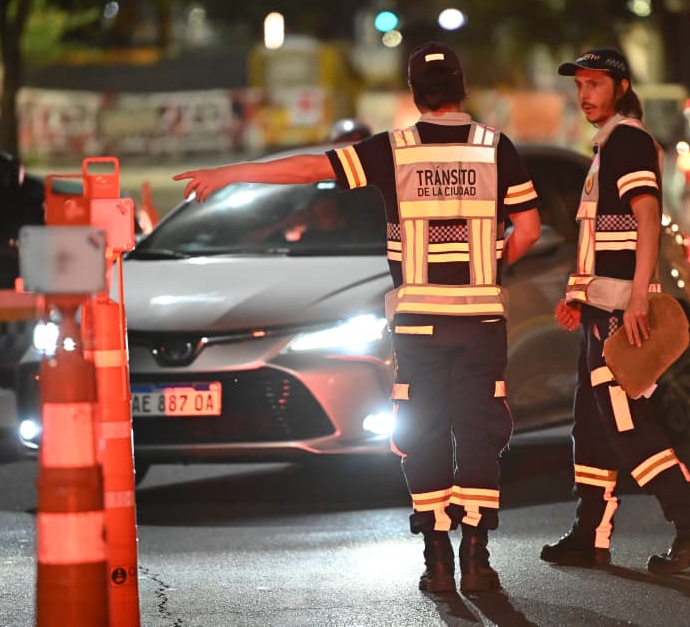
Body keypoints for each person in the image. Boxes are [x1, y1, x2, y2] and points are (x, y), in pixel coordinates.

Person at [173, 41, 542, 593]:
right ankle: (478, 556)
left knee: (423, 431)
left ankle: (437, 558)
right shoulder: (496, 147)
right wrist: (487, 268)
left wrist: (231, 173)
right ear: (463, 89)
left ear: (416, 94)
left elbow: (308, 170)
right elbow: (529, 229)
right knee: (480, 430)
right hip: (481, 320)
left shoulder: (393, 150)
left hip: (418, 319)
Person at [540, 48, 690, 574]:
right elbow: (605, 239)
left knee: (625, 424)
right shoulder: (606, 145)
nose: (585, 94)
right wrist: (578, 297)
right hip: (600, 310)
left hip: (619, 314)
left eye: (595, 84)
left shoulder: (628, 141)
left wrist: (638, 298)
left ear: (621, 87)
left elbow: (647, 217)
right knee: (590, 427)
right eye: (580, 85)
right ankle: (590, 532)